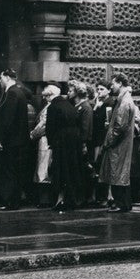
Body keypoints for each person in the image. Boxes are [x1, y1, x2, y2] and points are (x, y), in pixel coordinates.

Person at [0, 69, 30, 211]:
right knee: (14, 171)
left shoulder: (12, 93)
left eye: (1, 78)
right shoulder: (19, 92)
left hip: (11, 141)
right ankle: (13, 201)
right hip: (18, 140)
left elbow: (7, 119)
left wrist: (0, 139)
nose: (0, 81)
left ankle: (7, 201)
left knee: (8, 171)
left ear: (7, 77)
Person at [100, 73, 137, 213]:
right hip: (122, 143)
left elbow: (120, 126)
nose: (111, 87)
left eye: (114, 84)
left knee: (117, 173)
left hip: (119, 144)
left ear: (120, 83)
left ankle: (121, 203)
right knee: (120, 173)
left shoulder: (124, 101)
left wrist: (110, 140)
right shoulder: (124, 99)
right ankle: (123, 203)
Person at [45, 83, 83, 212]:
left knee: (60, 171)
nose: (45, 99)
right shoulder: (70, 105)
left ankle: (59, 200)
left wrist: (50, 143)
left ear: (51, 95)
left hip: (60, 143)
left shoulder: (53, 107)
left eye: (46, 96)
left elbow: (49, 128)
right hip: (73, 143)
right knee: (71, 170)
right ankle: (71, 199)